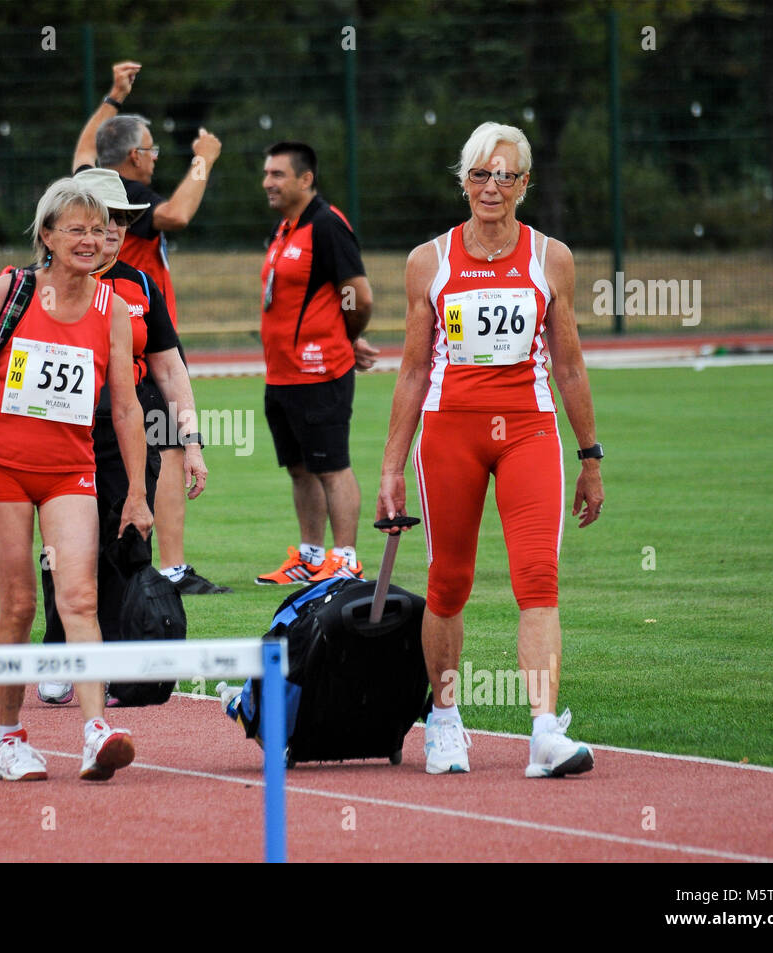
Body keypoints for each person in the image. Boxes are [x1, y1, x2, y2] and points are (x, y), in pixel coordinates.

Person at [377, 121, 604, 778]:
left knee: (539, 580)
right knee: (448, 582)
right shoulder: (430, 260)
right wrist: (392, 465)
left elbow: (570, 366)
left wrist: (591, 456)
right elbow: (414, 369)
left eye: (505, 175)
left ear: (524, 183)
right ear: (464, 182)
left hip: (530, 431)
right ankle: (444, 719)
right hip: (451, 432)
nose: (492, 187)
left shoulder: (550, 257)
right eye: (480, 174)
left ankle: (543, 731)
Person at [0, 177, 150, 781]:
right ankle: (9, 740)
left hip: (69, 471)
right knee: (19, 605)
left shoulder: (115, 307)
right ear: (47, 236)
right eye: (75, 229)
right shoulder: (14, 287)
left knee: (79, 597)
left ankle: (94, 730)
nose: (90, 240)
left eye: (98, 230)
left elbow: (128, 408)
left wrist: (136, 491)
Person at [37, 166, 208, 706]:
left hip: (129, 433)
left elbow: (170, 367)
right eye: (100, 218)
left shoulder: (139, 285)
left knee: (126, 545)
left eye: (120, 220)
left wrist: (193, 439)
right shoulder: (36, 284)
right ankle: (60, 652)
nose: (111, 230)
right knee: (62, 550)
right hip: (60, 432)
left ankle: (118, 659)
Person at [72, 60, 228, 595]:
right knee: (161, 449)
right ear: (134, 157)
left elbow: (81, 151)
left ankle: (146, 568)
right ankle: (172, 566)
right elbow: (181, 215)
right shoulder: (127, 196)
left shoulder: (86, 184)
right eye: (153, 149)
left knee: (158, 448)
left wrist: (113, 97)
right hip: (128, 336)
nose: (158, 157)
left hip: (144, 335)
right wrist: (204, 162)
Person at [255, 141, 378, 586]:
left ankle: (345, 558)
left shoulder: (327, 225)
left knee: (331, 465)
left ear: (306, 179)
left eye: (277, 174)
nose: (268, 182)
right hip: (281, 373)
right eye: (267, 173)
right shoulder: (284, 228)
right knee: (300, 467)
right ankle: (310, 556)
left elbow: (358, 295)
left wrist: (346, 335)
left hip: (319, 371)